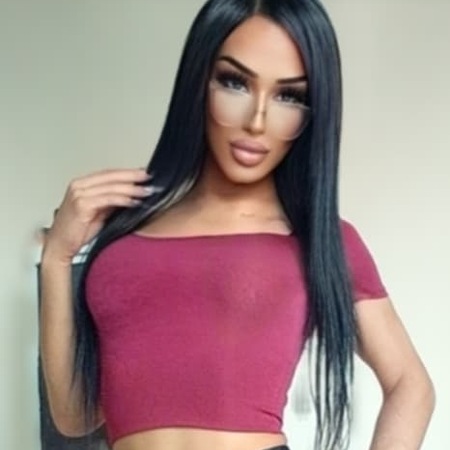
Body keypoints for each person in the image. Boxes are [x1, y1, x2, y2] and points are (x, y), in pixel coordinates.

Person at [39, 1, 435, 449]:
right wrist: (57, 258)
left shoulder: (320, 241)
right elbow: (74, 415)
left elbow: (411, 385)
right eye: (235, 82)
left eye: (289, 96)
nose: (257, 121)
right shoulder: (124, 236)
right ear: (199, 80)